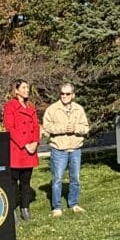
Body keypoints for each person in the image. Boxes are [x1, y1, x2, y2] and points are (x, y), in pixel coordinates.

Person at [41, 83, 90, 216]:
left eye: (68, 94)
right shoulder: (52, 109)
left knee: (75, 178)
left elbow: (86, 128)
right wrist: (62, 129)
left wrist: (75, 129)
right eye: (62, 93)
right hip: (59, 149)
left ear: (73, 95)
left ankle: (73, 203)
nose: (64, 96)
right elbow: (46, 128)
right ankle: (56, 207)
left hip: (75, 149)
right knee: (57, 179)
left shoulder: (79, 109)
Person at [3, 79, 40, 221]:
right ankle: (12, 209)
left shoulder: (31, 106)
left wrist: (35, 143)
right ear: (16, 90)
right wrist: (25, 144)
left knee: (26, 181)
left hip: (30, 150)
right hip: (17, 150)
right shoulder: (10, 106)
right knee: (13, 183)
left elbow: (36, 126)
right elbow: (10, 128)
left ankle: (25, 208)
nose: (27, 90)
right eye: (24, 88)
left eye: (27, 88)